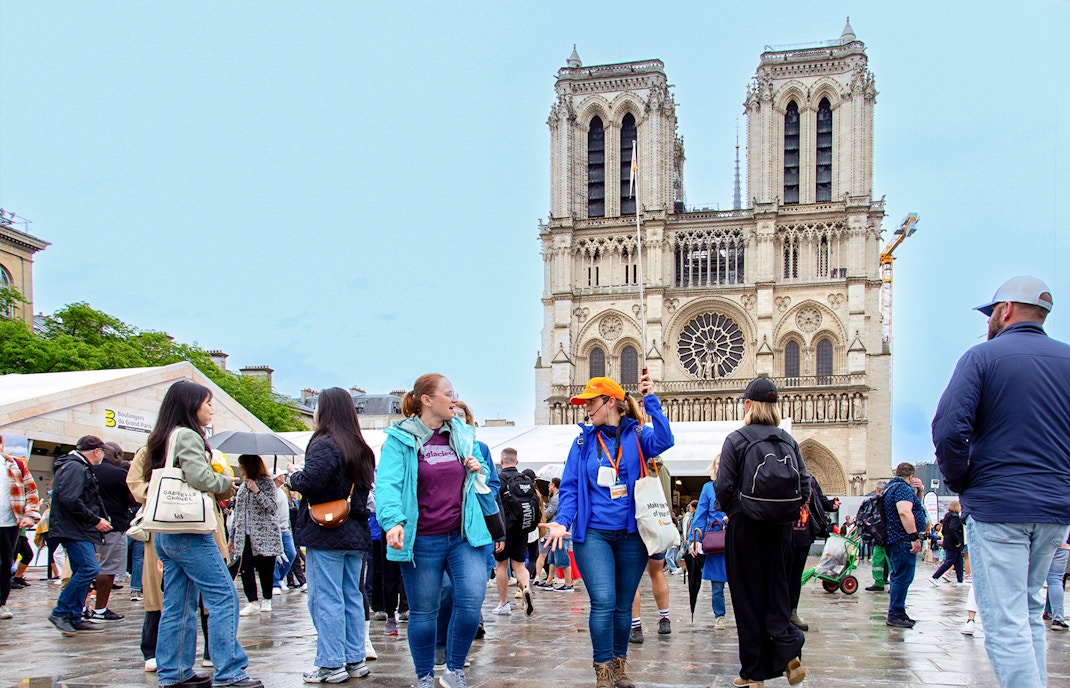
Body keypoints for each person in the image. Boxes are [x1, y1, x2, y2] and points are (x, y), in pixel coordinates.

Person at [933, 276, 1070, 688]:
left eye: (991, 312)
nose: (989, 320)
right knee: (1029, 613)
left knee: (1004, 624)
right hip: (1055, 511)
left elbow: (948, 430)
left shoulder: (983, 358)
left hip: (999, 507)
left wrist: (963, 481)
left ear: (1005, 309)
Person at [544, 373, 674, 688]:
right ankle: (602, 671)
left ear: (610, 401)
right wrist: (563, 520)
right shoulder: (582, 441)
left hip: (631, 534)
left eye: (592, 401)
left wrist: (651, 401)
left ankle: (619, 666)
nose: (586, 408)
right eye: (584, 402)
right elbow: (572, 486)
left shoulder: (638, 434)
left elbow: (666, 440)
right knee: (603, 600)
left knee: (623, 602)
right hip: (593, 534)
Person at [375, 374, 496, 688]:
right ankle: (424, 676)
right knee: (424, 611)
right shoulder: (400, 439)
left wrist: (477, 467)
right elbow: (387, 485)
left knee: (471, 602)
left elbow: (483, 475)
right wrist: (393, 522)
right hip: (422, 539)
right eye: (448, 394)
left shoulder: (462, 435)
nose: (454, 399)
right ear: (427, 400)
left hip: (463, 535)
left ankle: (454, 670)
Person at [146, 381, 262, 688]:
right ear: (191, 404)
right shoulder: (187, 435)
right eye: (208, 403)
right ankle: (230, 671)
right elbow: (199, 476)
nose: (211, 409)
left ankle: (174, 672)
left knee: (178, 603)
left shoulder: (164, 436)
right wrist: (225, 479)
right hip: (190, 532)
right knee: (224, 597)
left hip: (167, 532)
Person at [714, 377, 808, 688]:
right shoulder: (787, 440)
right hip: (781, 530)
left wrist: (736, 510)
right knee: (777, 593)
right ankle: (788, 650)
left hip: (746, 527)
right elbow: (805, 485)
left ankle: (753, 673)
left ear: (749, 405)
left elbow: (723, 487)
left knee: (747, 599)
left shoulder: (737, 439)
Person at [287, 387, 376, 683]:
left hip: (327, 530)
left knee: (325, 597)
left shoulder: (324, 443)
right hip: (355, 530)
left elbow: (311, 481)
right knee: (352, 595)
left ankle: (330, 662)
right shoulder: (361, 447)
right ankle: (354, 658)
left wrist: (293, 478)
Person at [47, 435, 111, 636]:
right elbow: (70, 499)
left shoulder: (75, 466)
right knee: (89, 568)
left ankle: (73, 616)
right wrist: (95, 520)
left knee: (82, 570)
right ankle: (61, 611)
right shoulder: (75, 467)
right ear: (96, 451)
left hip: (75, 528)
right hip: (74, 529)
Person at [87, 440, 136, 622]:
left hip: (87, 526)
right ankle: (100, 609)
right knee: (107, 570)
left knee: (86, 568)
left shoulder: (87, 470)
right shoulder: (117, 474)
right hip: (112, 525)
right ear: (116, 455)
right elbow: (133, 500)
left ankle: (83, 607)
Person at [230, 454, 282, 617]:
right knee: (245, 568)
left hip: (264, 534)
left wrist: (257, 491)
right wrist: (232, 537)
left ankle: (267, 598)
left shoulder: (267, 483)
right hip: (243, 535)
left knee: (265, 567)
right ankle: (252, 601)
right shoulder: (243, 487)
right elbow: (237, 513)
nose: (239, 468)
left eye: (241, 465)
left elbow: (272, 507)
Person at [788, 475, 838, 631]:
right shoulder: (778, 473)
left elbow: (821, 502)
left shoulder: (809, 479)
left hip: (803, 534)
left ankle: (792, 613)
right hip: (781, 533)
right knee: (779, 575)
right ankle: (777, 613)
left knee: (795, 577)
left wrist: (832, 504)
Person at [493, 447, 538, 617]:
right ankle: (526, 588)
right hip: (522, 528)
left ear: (501, 461)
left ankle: (504, 603)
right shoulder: (525, 479)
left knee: (501, 566)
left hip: (503, 530)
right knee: (519, 565)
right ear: (517, 462)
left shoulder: (499, 480)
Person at [881, 462, 926, 628]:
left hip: (894, 538)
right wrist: (914, 537)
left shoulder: (890, 487)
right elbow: (905, 511)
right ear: (911, 476)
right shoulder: (902, 489)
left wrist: (920, 491)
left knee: (899, 575)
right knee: (902, 577)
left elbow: (914, 507)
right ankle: (895, 613)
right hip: (902, 539)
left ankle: (898, 611)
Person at [1, 433, 40, 620]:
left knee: (5, 565)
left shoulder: (16, 465)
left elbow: (31, 491)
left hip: (9, 523)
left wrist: (30, 514)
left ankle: (1, 603)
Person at [688, 457, 728, 631]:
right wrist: (693, 540)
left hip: (736, 541)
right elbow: (701, 516)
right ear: (714, 466)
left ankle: (747, 617)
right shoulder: (708, 488)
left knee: (743, 584)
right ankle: (719, 616)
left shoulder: (739, 485)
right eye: (718, 462)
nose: (721, 465)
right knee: (717, 585)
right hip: (716, 543)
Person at [930, 500, 965, 585]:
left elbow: (944, 531)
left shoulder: (947, 517)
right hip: (954, 543)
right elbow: (953, 529)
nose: (960, 508)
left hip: (948, 541)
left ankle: (960, 580)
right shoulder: (955, 517)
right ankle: (934, 576)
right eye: (959, 506)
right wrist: (957, 541)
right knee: (949, 561)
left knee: (959, 561)